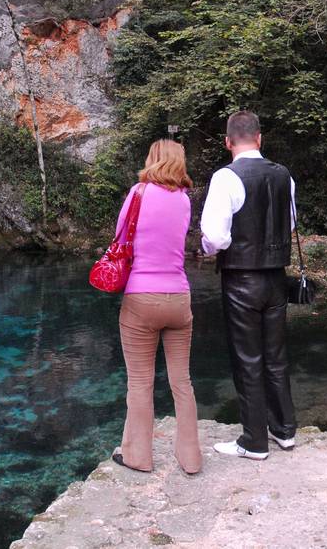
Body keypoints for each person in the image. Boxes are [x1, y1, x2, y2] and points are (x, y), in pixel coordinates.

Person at [200, 111, 299, 461]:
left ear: (228, 142)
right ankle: (284, 430)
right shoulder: (284, 175)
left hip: (241, 277)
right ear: (259, 138)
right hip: (277, 276)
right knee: (276, 356)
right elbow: (290, 223)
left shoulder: (225, 177)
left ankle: (254, 441)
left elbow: (215, 236)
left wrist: (209, 249)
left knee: (248, 359)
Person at [109, 139, 201, 475]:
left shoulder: (139, 193)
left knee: (140, 383)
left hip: (142, 297)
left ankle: (138, 456)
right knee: (182, 381)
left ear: (153, 159)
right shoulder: (185, 200)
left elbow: (121, 238)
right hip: (179, 298)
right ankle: (191, 458)